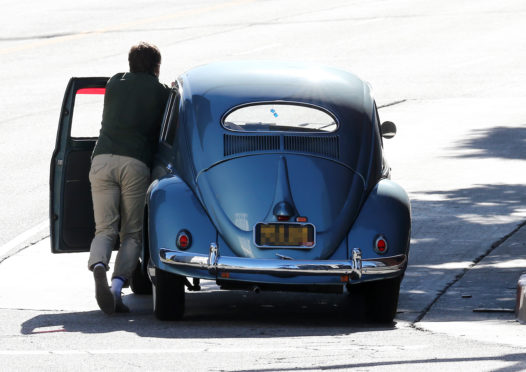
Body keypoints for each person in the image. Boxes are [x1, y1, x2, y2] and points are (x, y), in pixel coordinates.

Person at [88, 42, 170, 314]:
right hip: (134, 163)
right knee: (131, 233)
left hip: (101, 160)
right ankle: (116, 287)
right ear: (156, 66)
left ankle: (99, 264)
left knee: (105, 229)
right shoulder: (160, 92)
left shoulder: (114, 83)